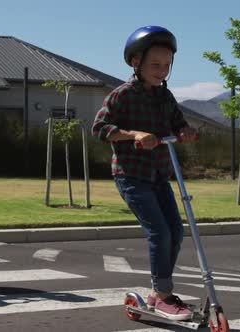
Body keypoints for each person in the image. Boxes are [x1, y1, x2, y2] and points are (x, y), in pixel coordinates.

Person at [91, 26, 198, 321]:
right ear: (135, 62)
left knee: (175, 231)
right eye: (155, 65)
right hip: (131, 175)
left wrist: (185, 132)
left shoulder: (166, 98)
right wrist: (134, 134)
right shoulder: (122, 95)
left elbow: (179, 124)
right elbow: (100, 129)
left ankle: (156, 293)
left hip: (159, 175)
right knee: (159, 231)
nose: (162, 71)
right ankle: (163, 296)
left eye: (166, 65)